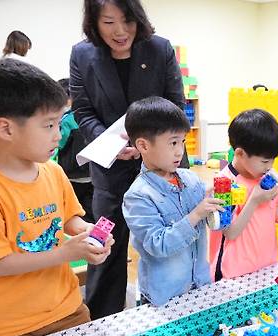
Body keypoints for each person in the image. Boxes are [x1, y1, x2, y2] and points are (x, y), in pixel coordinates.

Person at [0, 58, 113, 336]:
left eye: (58, 122)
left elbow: (70, 220)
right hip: (4, 328)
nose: (58, 134)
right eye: (49, 125)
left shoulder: (52, 172)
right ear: (6, 128)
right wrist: (66, 253)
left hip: (65, 310)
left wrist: (89, 234)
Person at [70, 0, 188, 319]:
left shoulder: (159, 49)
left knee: (172, 243)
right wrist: (110, 143)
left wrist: (147, 144)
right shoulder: (82, 55)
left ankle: (173, 315)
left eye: (127, 21)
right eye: (109, 23)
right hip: (110, 170)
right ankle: (101, 326)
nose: (120, 32)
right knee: (106, 246)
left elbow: (175, 104)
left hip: (163, 164)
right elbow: (82, 111)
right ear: (94, 24)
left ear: (138, 18)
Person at [122, 97, 222, 305]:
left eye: (183, 142)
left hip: (201, 284)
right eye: (173, 143)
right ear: (143, 145)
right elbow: (158, 245)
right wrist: (196, 214)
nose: (180, 151)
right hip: (164, 297)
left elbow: (213, 224)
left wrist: (219, 205)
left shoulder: (191, 179)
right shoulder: (139, 196)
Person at [209, 109, 278, 280]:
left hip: (266, 267)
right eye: (265, 161)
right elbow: (230, 232)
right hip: (233, 275)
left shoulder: (268, 177)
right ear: (240, 153)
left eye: (273, 160)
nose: (270, 166)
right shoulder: (224, 184)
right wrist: (253, 201)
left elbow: (273, 208)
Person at [55, 78, 94, 223]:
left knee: (74, 209)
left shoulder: (66, 120)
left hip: (71, 173)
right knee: (90, 208)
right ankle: (92, 234)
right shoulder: (90, 116)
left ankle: (79, 235)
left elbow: (59, 142)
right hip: (91, 171)